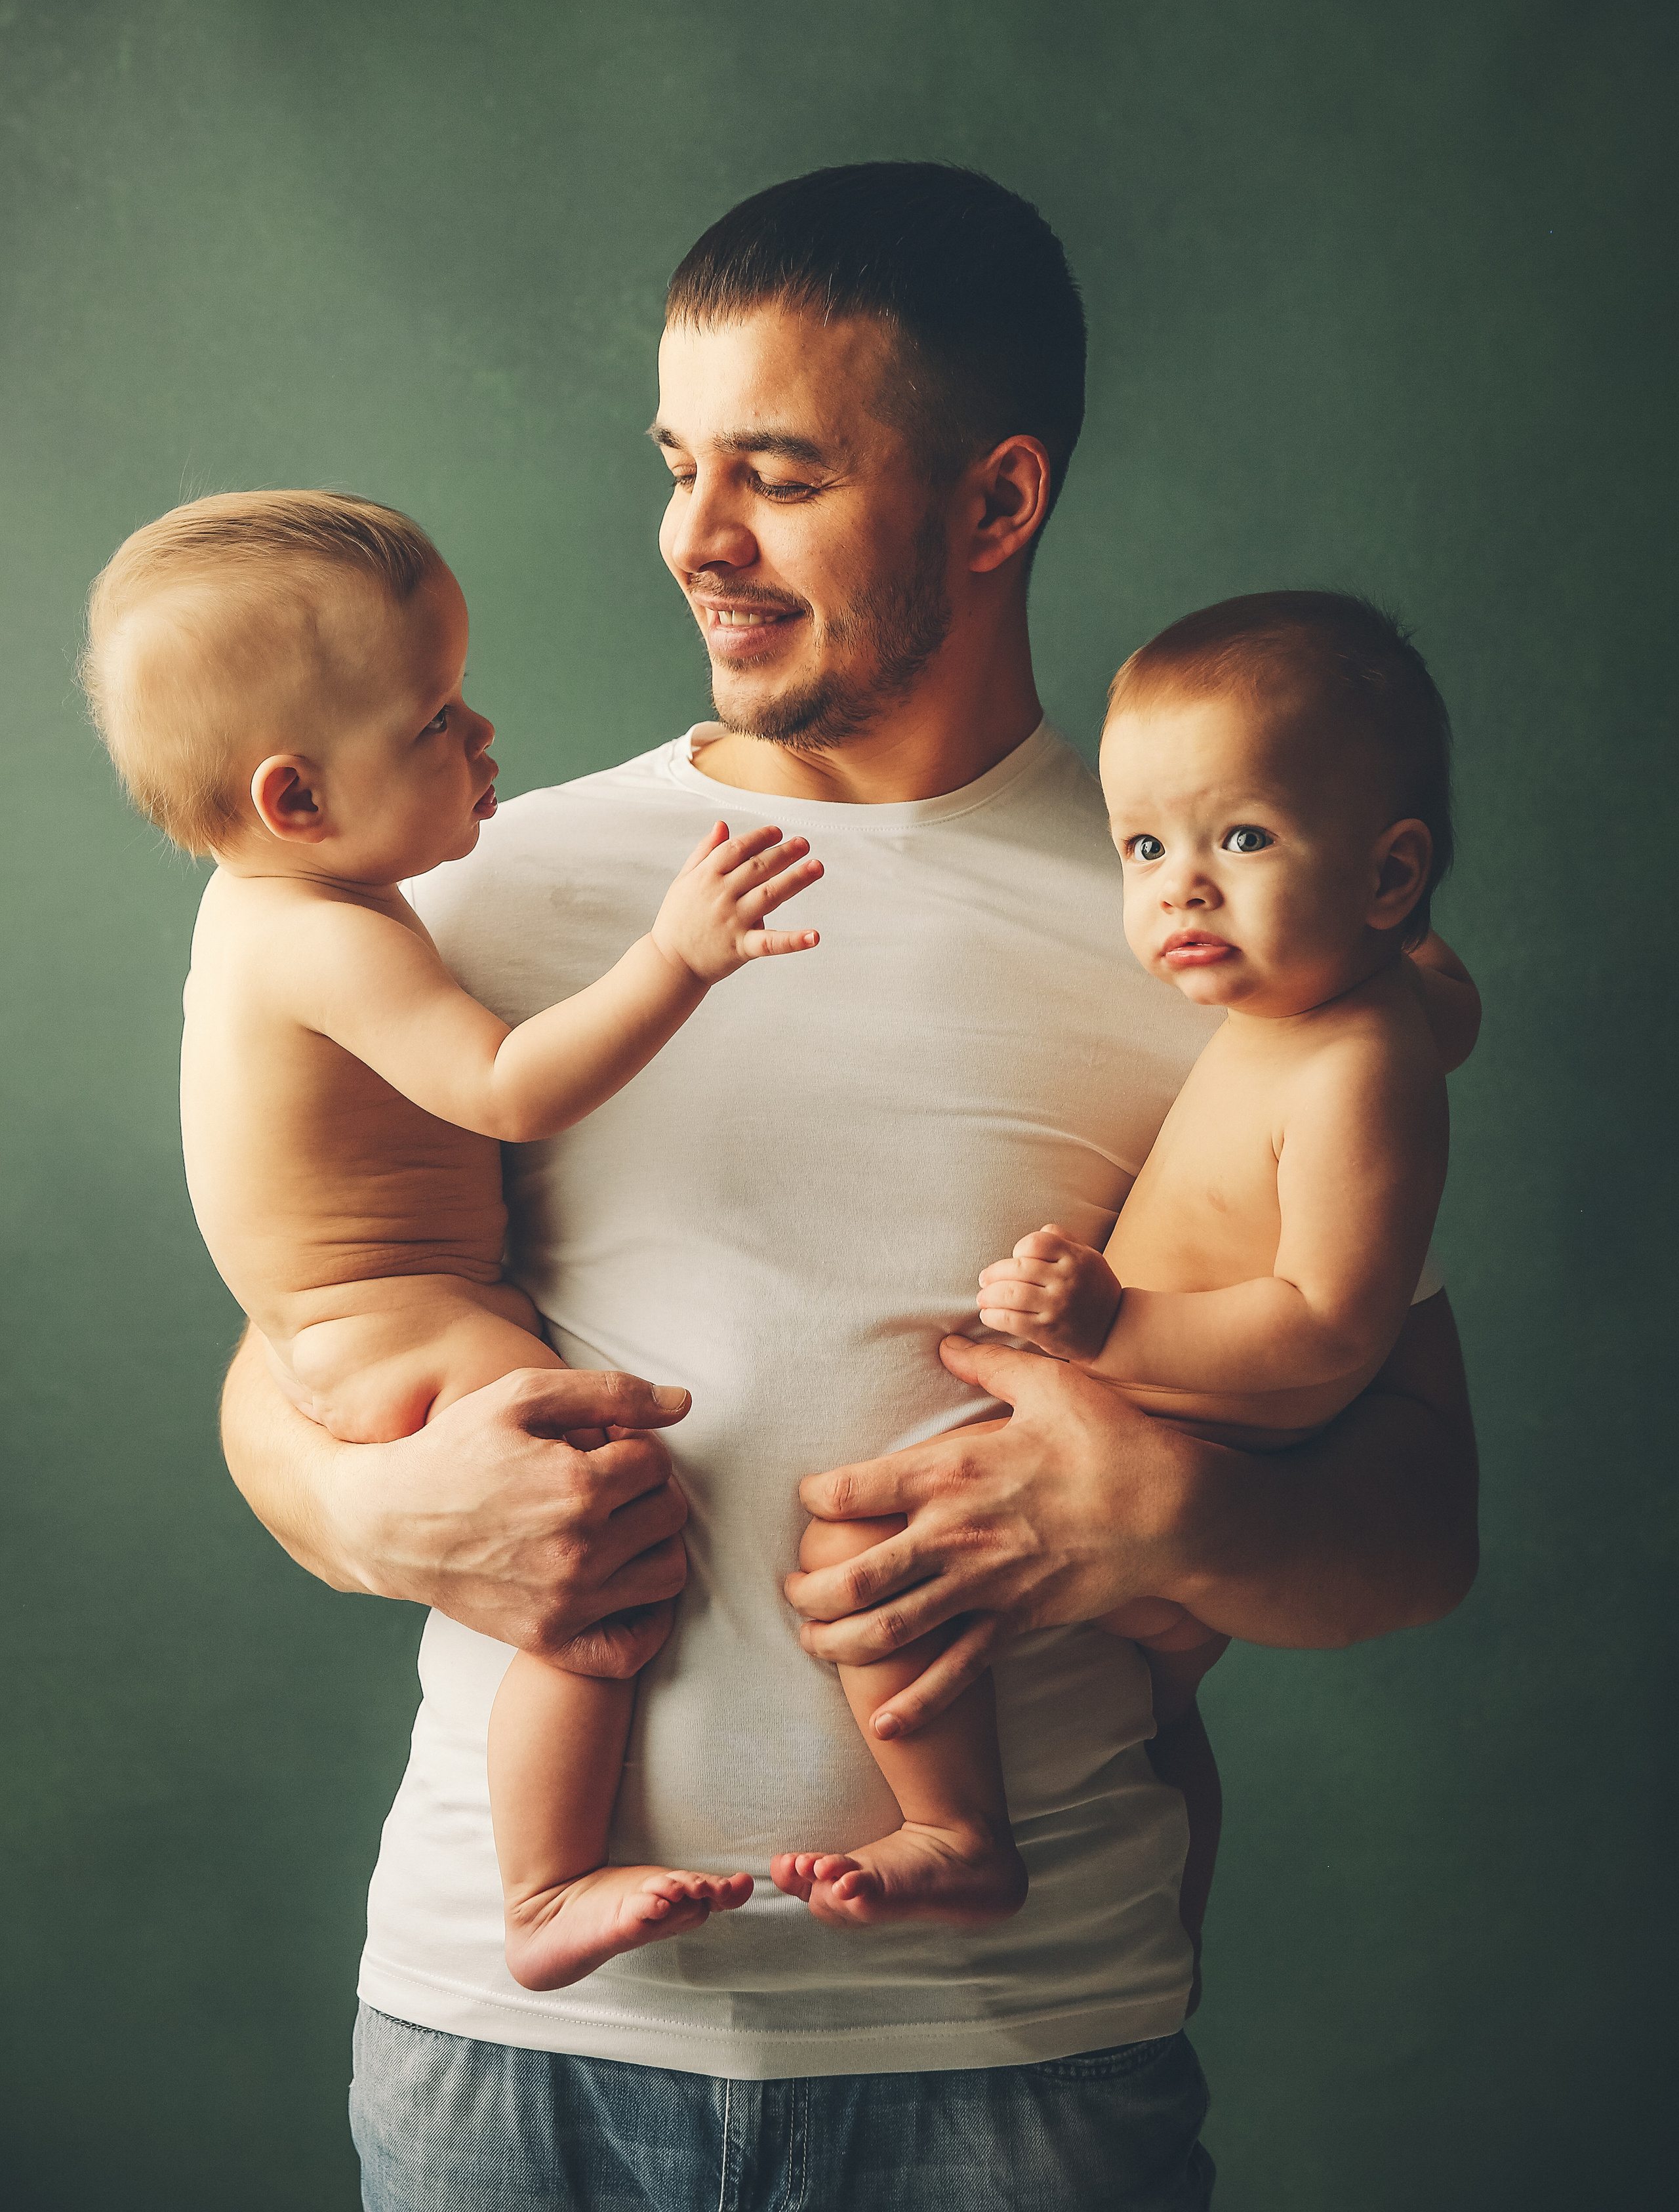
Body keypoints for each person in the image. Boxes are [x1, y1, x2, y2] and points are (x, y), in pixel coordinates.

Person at [218, 163, 1480, 2211]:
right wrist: (367, 1504)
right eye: (676, 466)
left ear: (993, 508)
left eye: (778, 478)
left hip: (1019, 2067)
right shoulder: (476, 891)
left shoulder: (1224, 922)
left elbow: (1423, 1522)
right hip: (507, 2045)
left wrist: (1183, 1508)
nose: (692, 541)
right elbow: (302, 1338)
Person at [81, 492, 826, 1988]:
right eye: (433, 725)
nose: (484, 739)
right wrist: (675, 961)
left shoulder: (276, 907)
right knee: (605, 1551)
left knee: (598, 1539)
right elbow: (504, 1080)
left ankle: (550, 1880)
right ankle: (545, 1888)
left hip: (373, 1325)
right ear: (293, 799)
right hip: (403, 1321)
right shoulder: (327, 935)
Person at [776, 589, 1472, 1944]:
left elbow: (1327, 1329)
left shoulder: (1353, 1067)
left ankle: (956, 1829)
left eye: (1244, 837)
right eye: (1143, 846)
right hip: (1152, 1454)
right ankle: (1173, 1924)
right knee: (1163, 1737)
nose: (1177, 889)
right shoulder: (1355, 1000)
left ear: (1387, 876)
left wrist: (1108, 1327)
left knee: (853, 1540)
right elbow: (1446, 992)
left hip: (1187, 1439)